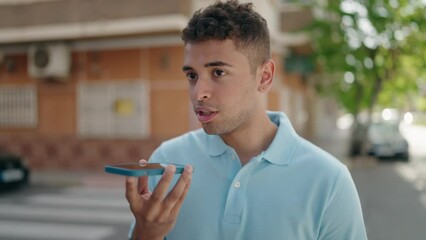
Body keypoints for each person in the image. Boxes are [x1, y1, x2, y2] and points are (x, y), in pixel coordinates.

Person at [125, 1, 367, 239]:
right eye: (192, 75)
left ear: (264, 77)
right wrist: (146, 234)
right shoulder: (167, 161)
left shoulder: (329, 181)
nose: (199, 93)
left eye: (218, 73)